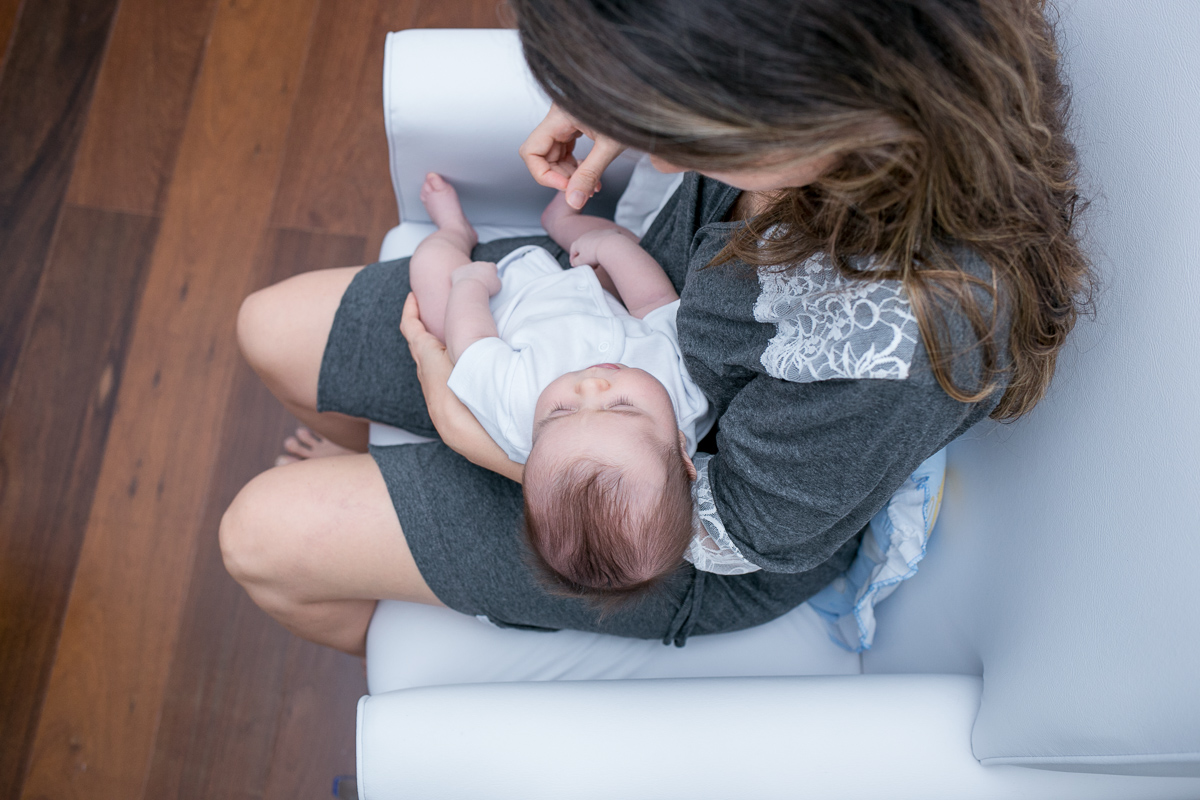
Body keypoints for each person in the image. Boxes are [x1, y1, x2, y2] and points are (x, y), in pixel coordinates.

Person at [221, 0, 1091, 655]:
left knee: (260, 540)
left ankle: (420, 568)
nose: (659, 158)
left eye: (681, 133)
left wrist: (496, 447)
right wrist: (624, 93)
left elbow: (747, 530)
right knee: (269, 329)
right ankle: (373, 459)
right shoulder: (823, 104)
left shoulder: (894, 339)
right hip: (616, 309)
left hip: (671, 537)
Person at [409, 172, 711, 602]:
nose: (591, 385)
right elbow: (653, 303)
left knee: (432, 277)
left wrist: (470, 285)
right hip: (592, 287)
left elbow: (471, 344)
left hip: (508, 297)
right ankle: (561, 220)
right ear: (682, 451)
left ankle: (454, 231)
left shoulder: (515, 408)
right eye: (622, 406)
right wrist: (611, 248)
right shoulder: (686, 396)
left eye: (562, 412)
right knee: (627, 246)